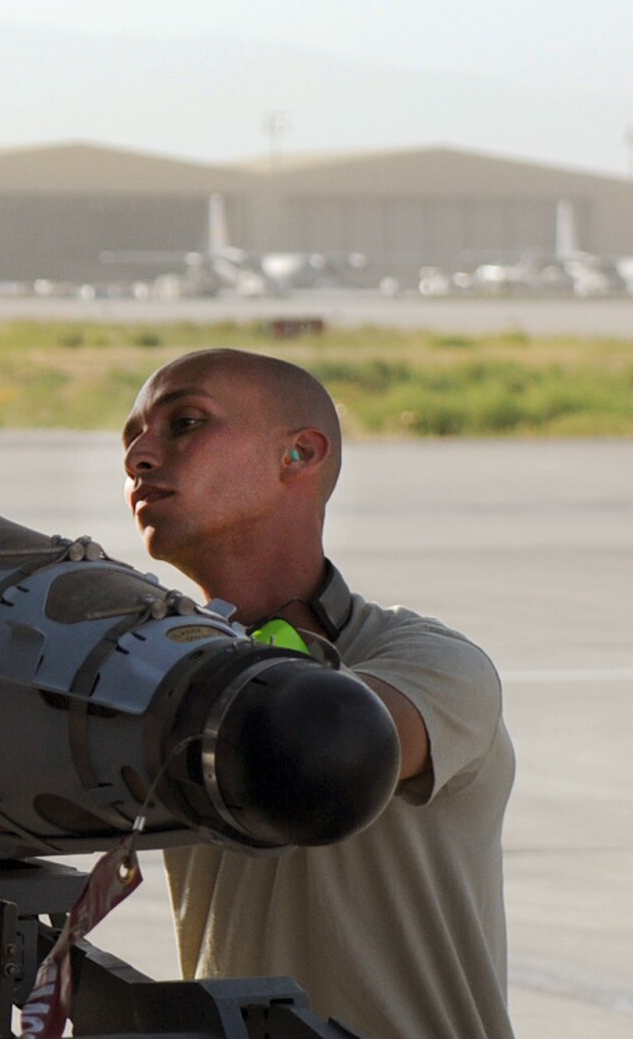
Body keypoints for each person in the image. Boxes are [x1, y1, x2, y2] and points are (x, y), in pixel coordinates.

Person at [121, 348, 514, 1039]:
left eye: (185, 423)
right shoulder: (160, 670)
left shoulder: (435, 666)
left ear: (299, 455)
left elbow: (327, 736)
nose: (138, 459)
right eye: (131, 439)